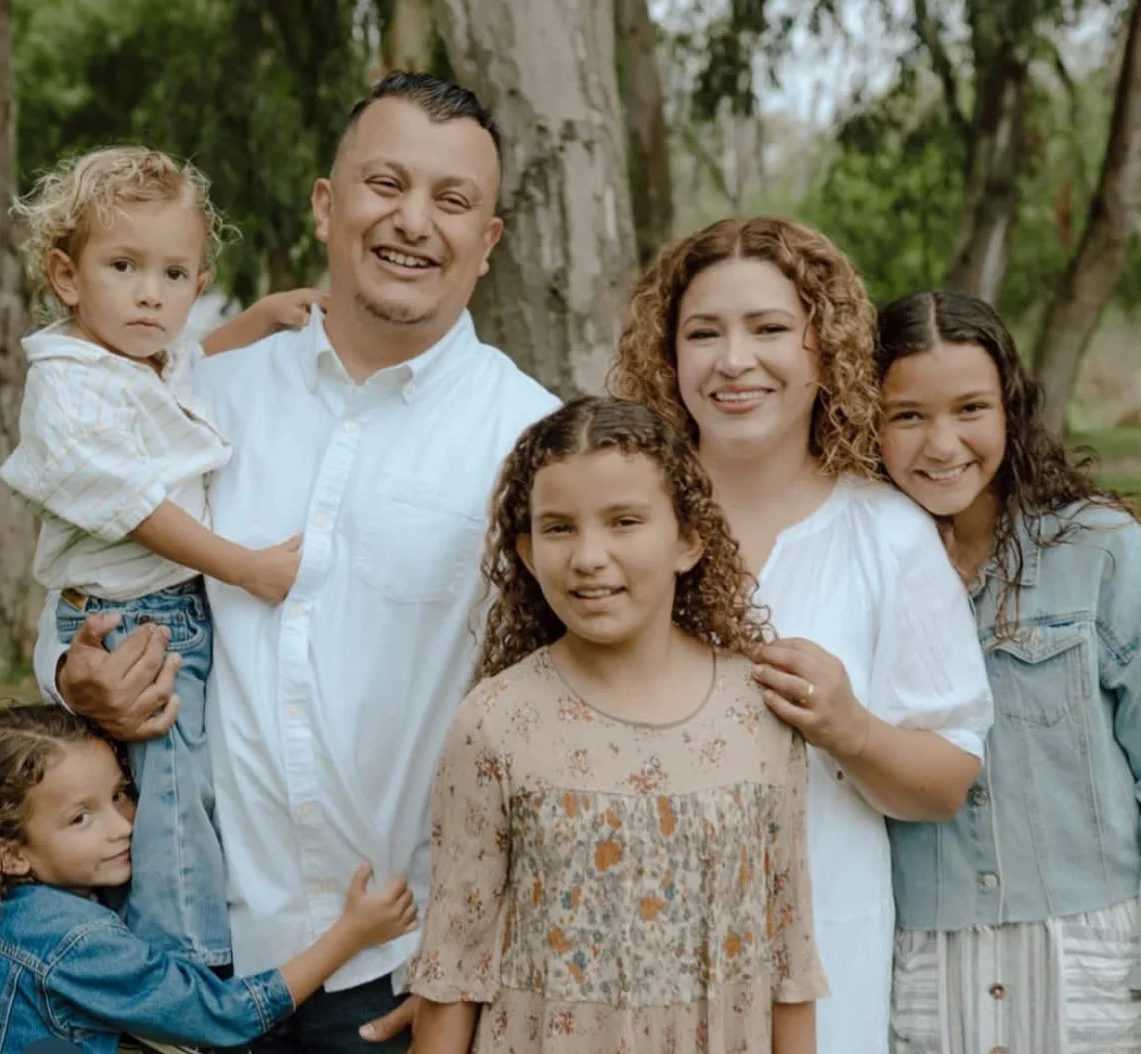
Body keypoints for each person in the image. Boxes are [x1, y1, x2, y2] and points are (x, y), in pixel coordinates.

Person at [34, 72, 559, 1052]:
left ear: (488, 243)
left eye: (452, 201)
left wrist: (476, 946)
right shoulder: (198, 398)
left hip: (398, 970)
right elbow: (80, 587)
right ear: (328, 203)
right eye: (385, 184)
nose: (413, 221)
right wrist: (75, 675)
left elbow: (565, 710)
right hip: (183, 953)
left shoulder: (532, 438)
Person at [609, 216, 994, 1054]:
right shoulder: (622, 523)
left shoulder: (886, 534)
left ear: (823, 353)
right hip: (627, 970)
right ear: (669, 357)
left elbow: (948, 778)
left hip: (821, 978)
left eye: (771, 329)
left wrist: (851, 729)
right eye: (703, 332)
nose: (734, 360)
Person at [408, 396, 827, 1054]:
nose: (589, 556)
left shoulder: (757, 712)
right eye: (559, 528)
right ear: (525, 549)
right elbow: (453, 972)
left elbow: (789, 955)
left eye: (624, 521)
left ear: (689, 540)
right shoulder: (495, 723)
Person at [0, 146, 325, 972]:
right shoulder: (68, 386)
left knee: (158, 793)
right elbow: (136, 509)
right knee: (173, 793)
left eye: (177, 274)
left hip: (164, 608)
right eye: (125, 266)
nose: (153, 292)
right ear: (67, 278)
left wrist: (263, 317)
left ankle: (120, 944)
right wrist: (242, 566)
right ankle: (183, 968)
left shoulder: (143, 359)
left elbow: (199, 359)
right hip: (132, 619)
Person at [877, 290, 1141, 1053]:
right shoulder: (866, 569)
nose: (942, 443)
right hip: (926, 965)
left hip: (1092, 961)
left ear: (1010, 410)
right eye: (908, 416)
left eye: (970, 409)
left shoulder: (1102, 551)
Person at [0, 704, 417, 1054]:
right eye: (81, 818)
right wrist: (352, 933)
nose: (123, 826)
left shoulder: (8, 917)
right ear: (9, 854)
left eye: (118, 795)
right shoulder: (72, 938)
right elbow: (221, 1014)